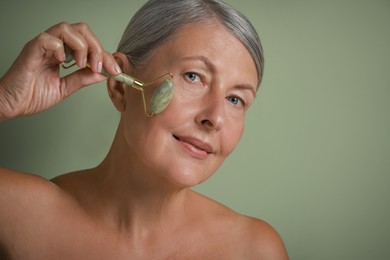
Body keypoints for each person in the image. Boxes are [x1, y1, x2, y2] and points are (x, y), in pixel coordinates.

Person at [0, 0, 288, 259]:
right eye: (193, 76)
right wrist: (3, 100)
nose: (215, 117)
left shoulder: (254, 249)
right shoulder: (17, 215)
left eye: (235, 99)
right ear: (120, 86)